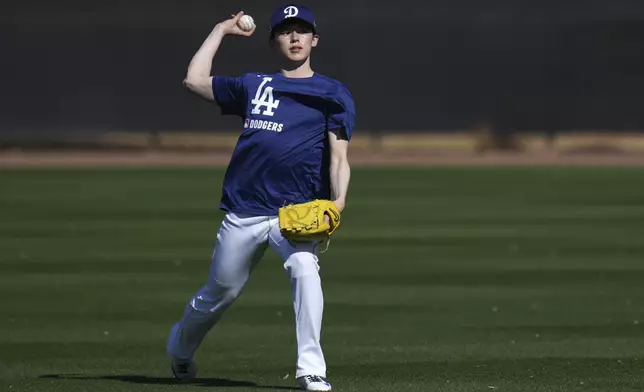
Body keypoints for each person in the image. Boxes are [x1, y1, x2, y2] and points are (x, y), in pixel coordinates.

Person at [165, 4, 355, 391]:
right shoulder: (254, 84)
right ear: (275, 41)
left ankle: (311, 370)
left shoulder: (332, 93)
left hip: (297, 212)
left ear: (314, 39)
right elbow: (194, 80)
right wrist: (220, 30)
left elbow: (339, 158)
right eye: (287, 31)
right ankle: (180, 349)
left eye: (302, 31)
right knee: (221, 292)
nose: (295, 37)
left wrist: (338, 201)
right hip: (245, 210)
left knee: (305, 269)